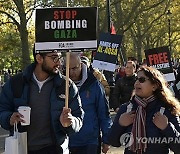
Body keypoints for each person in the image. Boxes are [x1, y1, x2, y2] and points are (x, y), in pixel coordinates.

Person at [0, 49, 84, 154]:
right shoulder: (15, 83)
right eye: (54, 58)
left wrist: (70, 123)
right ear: (39, 58)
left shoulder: (66, 86)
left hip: (55, 149)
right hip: (22, 148)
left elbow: (79, 117)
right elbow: (2, 110)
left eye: (60, 57)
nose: (59, 62)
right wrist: (9, 118)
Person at [108, 66, 180, 154]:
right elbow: (113, 142)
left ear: (154, 86)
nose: (137, 83)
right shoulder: (126, 109)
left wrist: (167, 127)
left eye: (141, 80)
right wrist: (120, 124)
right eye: (136, 79)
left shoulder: (167, 109)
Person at [68, 53, 112, 154]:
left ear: (81, 65)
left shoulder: (94, 85)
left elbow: (104, 113)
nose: (71, 72)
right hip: (67, 141)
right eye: (68, 68)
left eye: (74, 68)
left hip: (90, 142)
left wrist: (106, 139)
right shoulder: (60, 84)